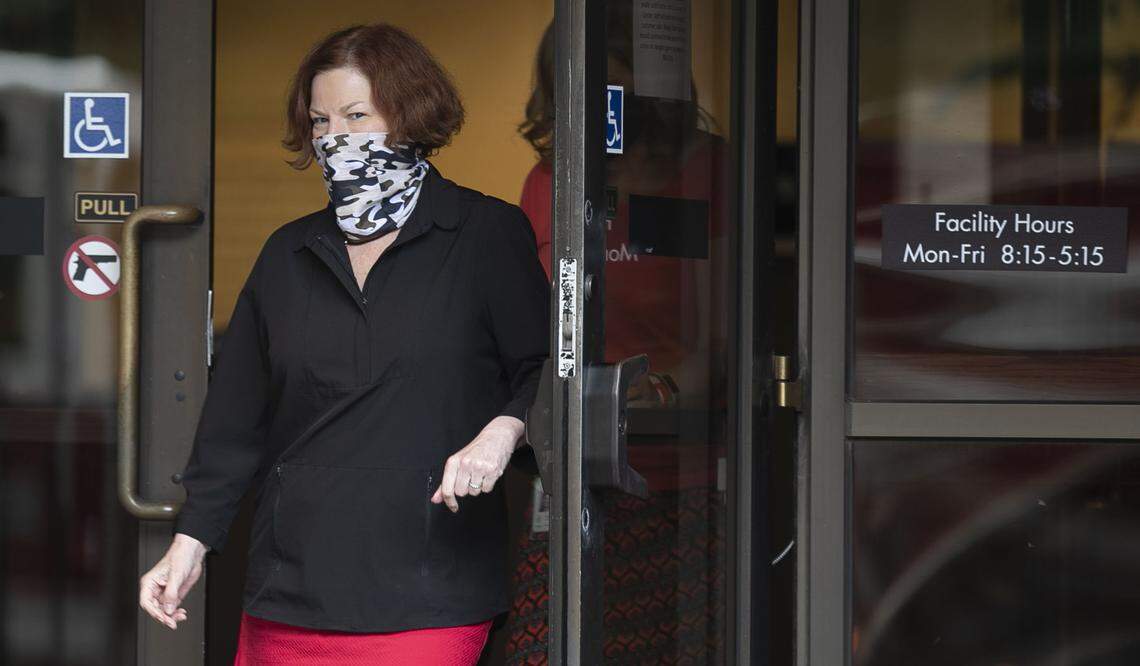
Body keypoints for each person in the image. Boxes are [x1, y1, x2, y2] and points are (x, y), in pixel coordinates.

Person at [137, 23, 550, 665]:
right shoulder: (287, 253)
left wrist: (504, 429)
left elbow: (545, 368)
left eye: (357, 115)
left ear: (410, 115)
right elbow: (234, 423)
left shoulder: (486, 234)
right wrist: (190, 542)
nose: (336, 138)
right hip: (291, 588)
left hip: (431, 588)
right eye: (322, 121)